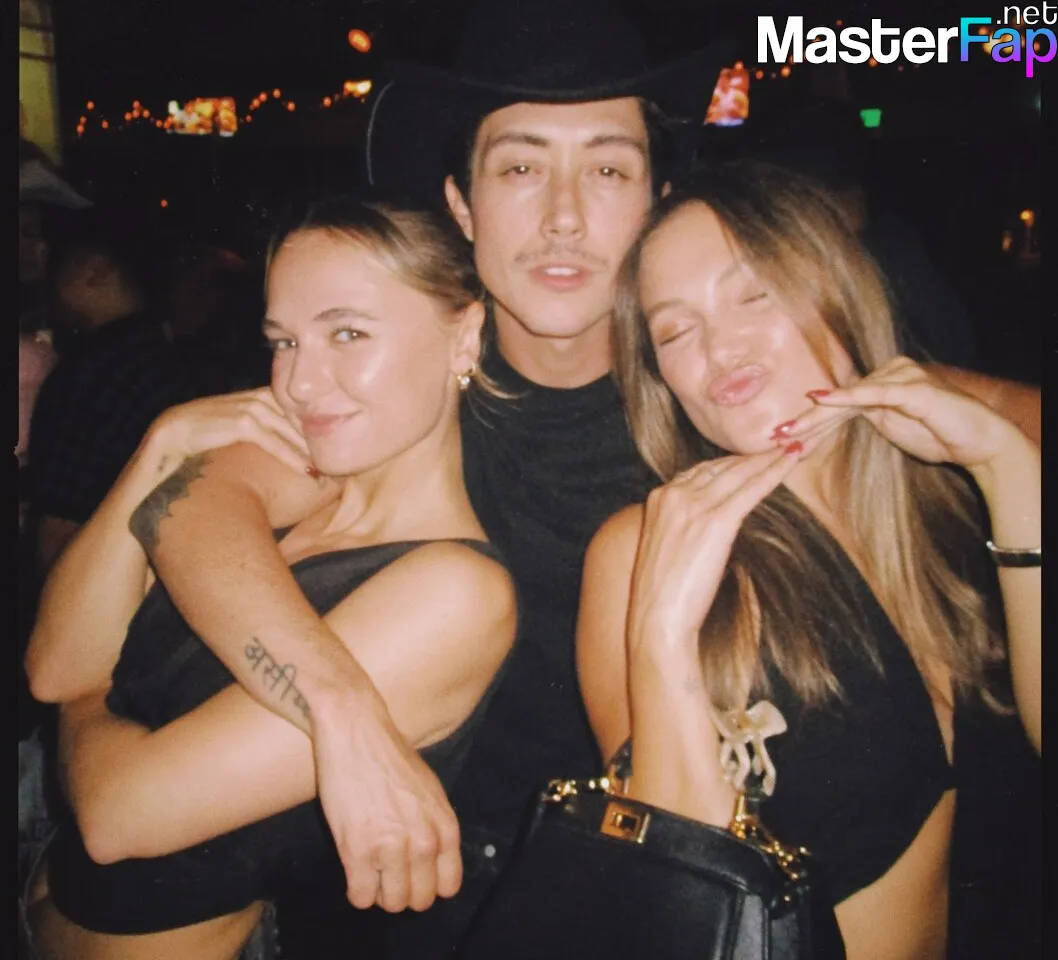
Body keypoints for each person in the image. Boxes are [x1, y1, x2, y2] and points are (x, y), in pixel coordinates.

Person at [111, 1, 1041, 956]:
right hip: (408, 916)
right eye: (521, 168)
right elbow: (197, 508)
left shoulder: (719, 384)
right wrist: (338, 707)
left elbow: (971, 412)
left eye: (606, 169)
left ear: (655, 200)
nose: (563, 217)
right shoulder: (406, 383)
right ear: (462, 205)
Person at [22, 197, 517, 960]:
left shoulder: (456, 594)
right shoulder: (288, 475)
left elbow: (119, 817)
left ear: (465, 336)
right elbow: (52, 665)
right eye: (284, 341)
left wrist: (88, 701)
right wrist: (159, 449)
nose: (300, 384)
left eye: (347, 333)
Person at [577, 161, 1040, 960]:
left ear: (836, 288)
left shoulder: (949, 504)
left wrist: (1009, 467)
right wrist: (660, 633)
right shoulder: (641, 550)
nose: (720, 346)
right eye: (676, 331)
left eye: (753, 294)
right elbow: (676, 917)